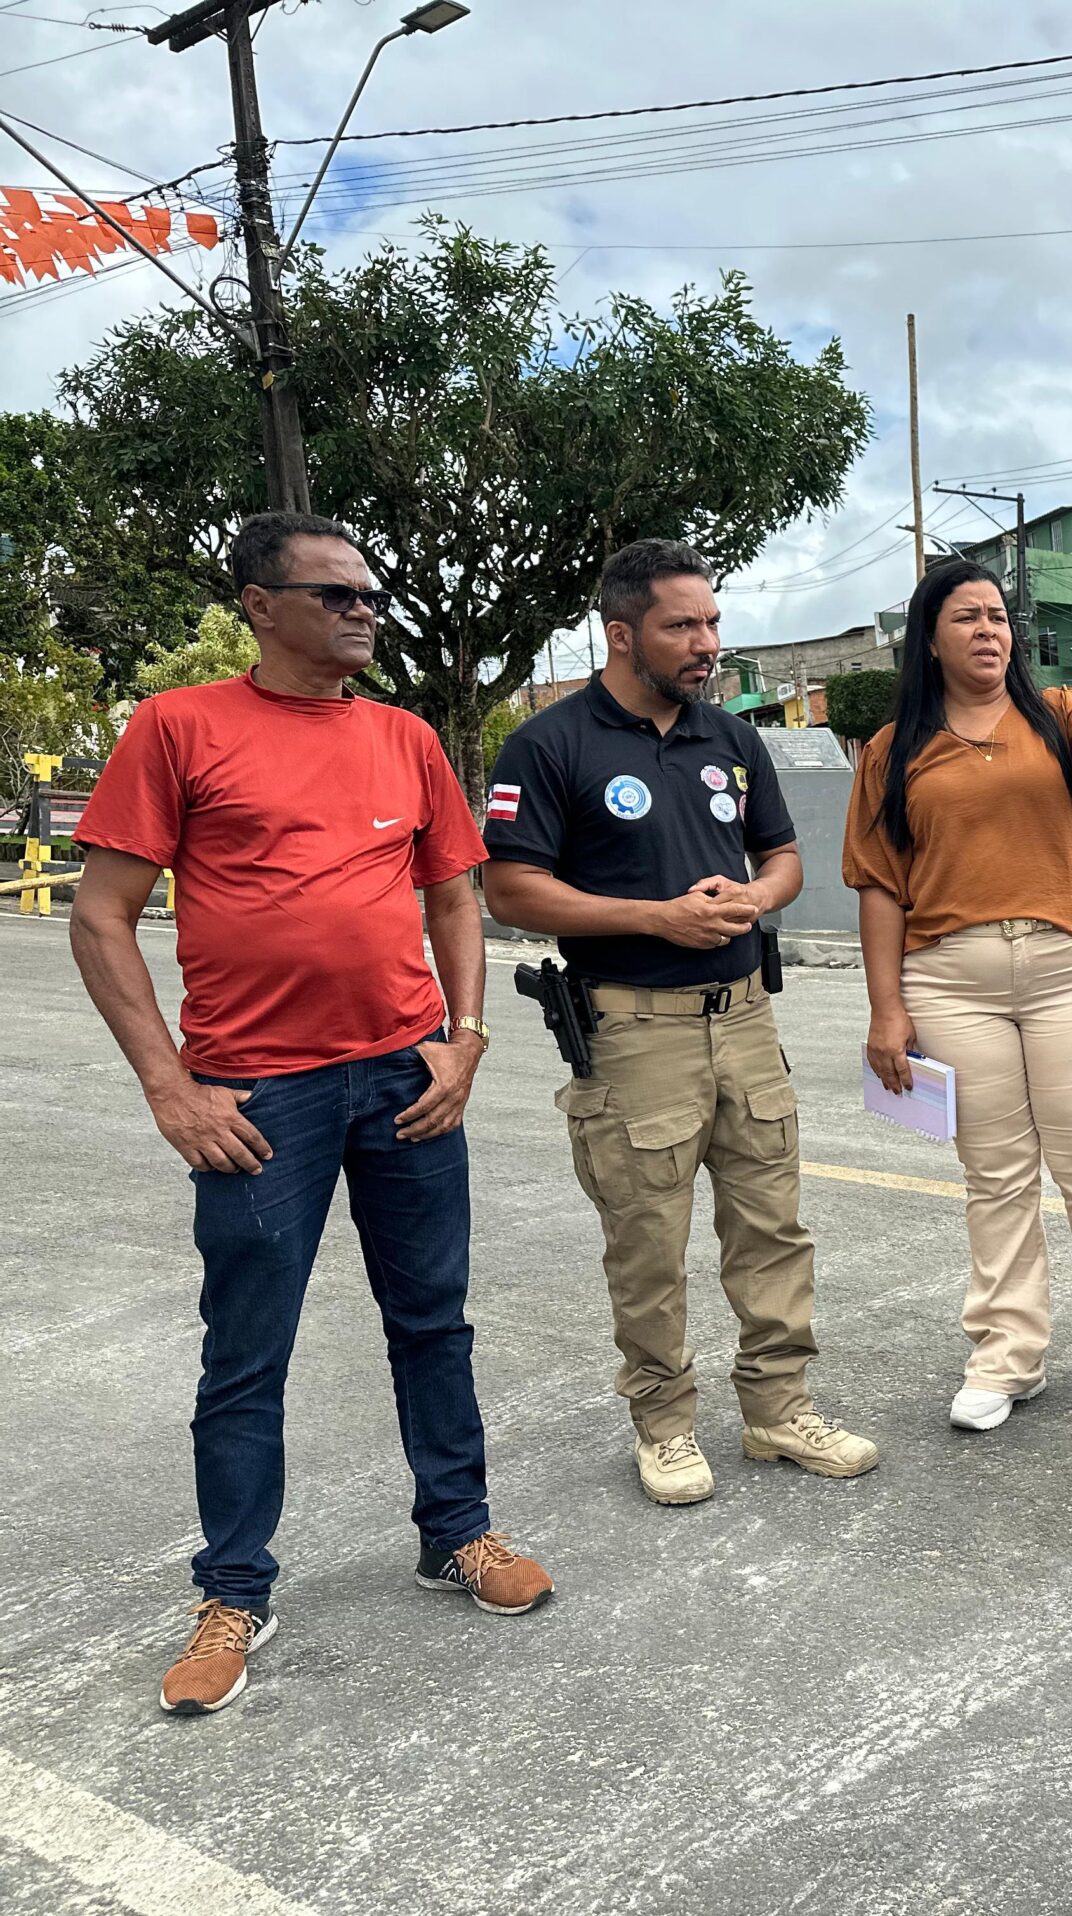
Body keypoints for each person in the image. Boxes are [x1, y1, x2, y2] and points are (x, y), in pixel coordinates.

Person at [69, 510, 553, 1718]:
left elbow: (455, 901)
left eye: (369, 592)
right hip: (256, 1097)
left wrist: (466, 1039)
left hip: (404, 1078)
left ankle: (458, 1533)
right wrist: (168, 1084)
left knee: (432, 1320)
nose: (364, 610)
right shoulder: (179, 727)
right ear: (260, 605)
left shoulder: (404, 739)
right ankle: (233, 1590)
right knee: (246, 1355)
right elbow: (100, 914)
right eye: (336, 594)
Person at [482, 539, 877, 1506]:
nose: (706, 644)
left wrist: (751, 900)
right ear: (622, 633)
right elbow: (511, 885)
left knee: (772, 1228)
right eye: (682, 625)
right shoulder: (552, 745)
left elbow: (781, 859)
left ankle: (778, 1412)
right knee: (648, 1240)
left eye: (711, 623)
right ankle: (663, 1423)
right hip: (633, 1029)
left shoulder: (732, 741)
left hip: (744, 1019)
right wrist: (655, 918)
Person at [847, 561, 1072, 1432]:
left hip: (1067, 965)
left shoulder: (1056, 715)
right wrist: (886, 1010)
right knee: (996, 1176)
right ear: (931, 637)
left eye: (998, 617)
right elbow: (879, 885)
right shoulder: (892, 750)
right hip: (951, 977)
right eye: (967, 618)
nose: (989, 631)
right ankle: (1007, 1353)